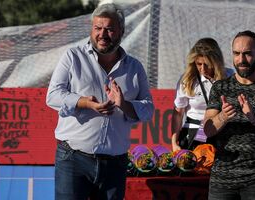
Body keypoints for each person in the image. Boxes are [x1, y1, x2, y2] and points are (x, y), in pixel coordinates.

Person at [46, 3, 154, 200]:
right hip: (73, 159)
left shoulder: (135, 68)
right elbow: (52, 96)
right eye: (98, 28)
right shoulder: (73, 57)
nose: (102, 35)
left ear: (121, 31)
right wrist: (85, 103)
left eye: (109, 29)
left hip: (115, 164)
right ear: (91, 29)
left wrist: (124, 104)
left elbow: (148, 110)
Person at [203, 30, 255, 200]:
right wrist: (222, 117)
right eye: (236, 53)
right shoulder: (220, 88)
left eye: (247, 54)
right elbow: (208, 129)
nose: (241, 60)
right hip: (222, 178)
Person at [171, 38, 233, 152]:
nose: (203, 69)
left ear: (216, 62)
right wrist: (174, 143)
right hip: (194, 132)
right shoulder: (187, 80)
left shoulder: (230, 76)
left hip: (222, 130)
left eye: (207, 64)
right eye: (199, 64)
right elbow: (178, 113)